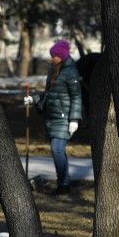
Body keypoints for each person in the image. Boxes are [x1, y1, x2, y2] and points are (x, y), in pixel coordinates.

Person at [24, 40, 83, 195]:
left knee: (57, 149)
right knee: (57, 151)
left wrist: (74, 119)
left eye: (54, 56)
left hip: (64, 118)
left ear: (61, 56)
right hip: (52, 117)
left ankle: (63, 184)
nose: (51, 58)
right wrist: (34, 99)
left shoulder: (71, 72)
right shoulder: (54, 70)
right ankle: (64, 182)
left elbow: (76, 97)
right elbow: (49, 94)